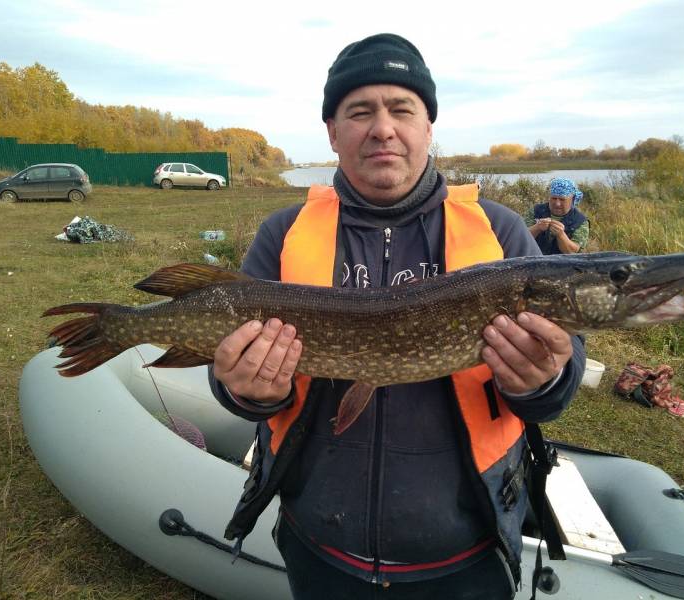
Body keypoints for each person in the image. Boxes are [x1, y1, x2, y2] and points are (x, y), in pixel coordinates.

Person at [208, 33, 585, 600]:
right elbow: (227, 375)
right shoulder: (282, 236)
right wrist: (250, 391)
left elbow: (560, 378)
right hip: (320, 545)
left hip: (468, 552)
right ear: (333, 132)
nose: (382, 127)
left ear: (427, 126)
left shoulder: (500, 232)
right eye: (360, 111)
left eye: (401, 109)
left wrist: (546, 378)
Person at [527, 177, 589, 255]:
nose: (557, 204)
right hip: (533, 261)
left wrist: (561, 235)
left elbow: (572, 252)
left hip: (563, 265)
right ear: (549, 197)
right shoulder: (535, 211)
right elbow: (520, 239)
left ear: (572, 199)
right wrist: (537, 228)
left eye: (562, 199)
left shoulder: (580, 221)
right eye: (554, 198)